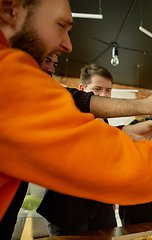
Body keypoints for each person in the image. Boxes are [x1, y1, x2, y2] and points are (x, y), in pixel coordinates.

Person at [0, 0, 152, 223]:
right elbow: (108, 160)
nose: (67, 45)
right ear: (9, 10)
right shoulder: (9, 78)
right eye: (60, 25)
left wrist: (128, 133)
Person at [37, 64, 118, 236]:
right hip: (68, 210)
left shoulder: (106, 123)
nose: (104, 95)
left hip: (103, 209)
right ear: (82, 89)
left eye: (108, 90)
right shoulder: (64, 115)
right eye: (97, 89)